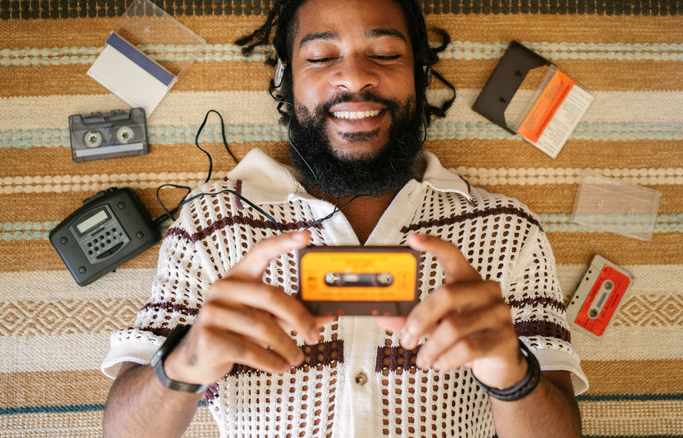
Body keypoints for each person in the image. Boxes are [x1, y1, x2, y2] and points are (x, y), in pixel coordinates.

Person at [101, 0, 588, 436]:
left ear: (420, 76)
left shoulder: (506, 228)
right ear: (285, 80)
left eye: (385, 54)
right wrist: (183, 363)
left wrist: (513, 376)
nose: (354, 78)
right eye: (319, 57)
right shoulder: (210, 223)